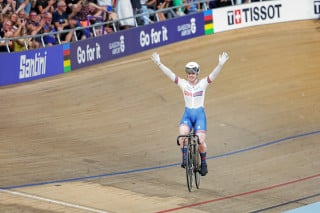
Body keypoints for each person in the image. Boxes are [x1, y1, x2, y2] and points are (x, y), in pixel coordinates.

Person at [151, 51, 229, 176]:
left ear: (197, 73)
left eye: (192, 73)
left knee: (200, 141)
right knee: (182, 136)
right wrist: (159, 63)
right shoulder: (183, 84)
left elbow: (213, 75)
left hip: (199, 116)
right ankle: (185, 159)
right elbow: (170, 74)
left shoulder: (203, 84)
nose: (190, 75)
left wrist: (220, 65)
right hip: (187, 115)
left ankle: (203, 163)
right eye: (188, 73)